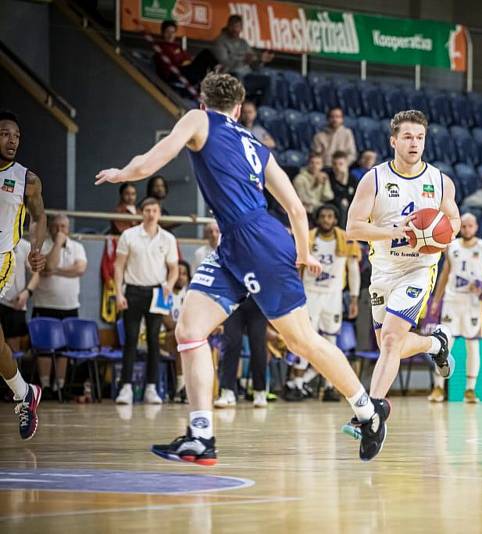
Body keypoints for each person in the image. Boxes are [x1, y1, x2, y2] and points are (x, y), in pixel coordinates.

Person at [95, 73, 389, 464]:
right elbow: (297, 209)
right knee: (189, 328)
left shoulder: (198, 120)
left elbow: (152, 160)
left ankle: (368, 413)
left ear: (204, 102)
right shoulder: (257, 144)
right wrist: (302, 251)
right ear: (238, 107)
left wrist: (122, 174)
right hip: (240, 241)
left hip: (255, 241)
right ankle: (201, 436)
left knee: (301, 340)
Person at [344, 109, 460, 437]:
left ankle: (372, 412)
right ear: (393, 140)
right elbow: (352, 228)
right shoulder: (375, 178)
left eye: (420, 137)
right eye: (407, 137)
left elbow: (453, 224)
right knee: (389, 346)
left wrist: (435, 235)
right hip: (383, 270)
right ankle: (435, 344)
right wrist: (395, 231)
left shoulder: (439, 182)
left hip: (418, 269)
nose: (414, 143)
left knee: (393, 339)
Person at [0, 110, 47, 440]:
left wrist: (36, 247)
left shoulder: (26, 179)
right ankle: (24, 393)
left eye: (16, 135)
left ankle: (23, 393)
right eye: (5, 133)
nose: (12, 140)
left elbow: (39, 216)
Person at [287, 204, 361, 402]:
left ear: (336, 220)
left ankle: (330, 386)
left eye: (331, 216)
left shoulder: (346, 239)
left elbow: (353, 271)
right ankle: (297, 383)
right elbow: (295, 268)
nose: (327, 220)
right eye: (323, 216)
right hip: (309, 293)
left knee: (331, 340)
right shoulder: (307, 237)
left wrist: (354, 298)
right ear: (317, 219)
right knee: (305, 338)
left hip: (333, 295)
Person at [428, 213, 482, 403]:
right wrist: (436, 300)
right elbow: (444, 274)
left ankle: (470, 390)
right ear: (460, 227)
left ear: (476, 227)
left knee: (472, 345)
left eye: (470, 225)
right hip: (452, 301)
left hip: (473, 303)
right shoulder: (451, 247)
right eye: (464, 226)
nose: (467, 229)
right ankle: (438, 388)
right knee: (443, 344)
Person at [114, 198, 179, 406]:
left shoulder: (168, 239)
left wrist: (170, 284)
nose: (151, 214)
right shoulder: (129, 235)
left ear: (159, 213)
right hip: (132, 291)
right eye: (148, 210)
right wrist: (118, 293)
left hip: (157, 292)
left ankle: (152, 388)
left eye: (155, 210)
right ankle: (126, 387)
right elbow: (118, 266)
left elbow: (174, 268)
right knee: (131, 339)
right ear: (142, 213)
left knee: (153, 340)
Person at [32, 215, 87, 397]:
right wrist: (57, 245)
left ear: (69, 229)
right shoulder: (44, 246)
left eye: (63, 226)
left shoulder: (77, 247)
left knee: (64, 350)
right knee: (44, 349)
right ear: (50, 228)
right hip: (44, 305)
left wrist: (54, 271)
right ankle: (46, 386)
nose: (59, 230)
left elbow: (79, 269)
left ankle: (61, 386)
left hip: (69, 306)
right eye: (55, 226)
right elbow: (48, 266)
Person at [214, 297, 269, 408]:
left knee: (258, 346)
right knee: (231, 343)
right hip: (234, 299)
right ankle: (227, 391)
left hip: (258, 301)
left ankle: (259, 391)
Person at [153, 20, 218, 88]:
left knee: (207, 54)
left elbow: (187, 58)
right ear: (162, 33)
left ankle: (215, 75)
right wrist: (185, 62)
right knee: (206, 54)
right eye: (167, 32)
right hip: (176, 74)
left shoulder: (177, 46)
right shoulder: (160, 47)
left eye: (173, 32)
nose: (170, 35)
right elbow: (172, 63)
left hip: (187, 70)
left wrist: (189, 61)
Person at [0, 238, 39, 352]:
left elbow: (36, 274)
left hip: (14, 303)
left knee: (13, 350)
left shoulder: (24, 246)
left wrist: (27, 293)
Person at [163, 259, 191, 401]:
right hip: (160, 338)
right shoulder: (163, 292)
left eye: (184, 274)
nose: (181, 277)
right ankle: (181, 386)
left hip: (182, 337)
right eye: (178, 273)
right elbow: (167, 322)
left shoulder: (191, 295)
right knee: (180, 338)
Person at [329, 150, 358, 226]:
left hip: (350, 204)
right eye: (334, 164)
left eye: (340, 164)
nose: (337, 167)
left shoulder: (352, 179)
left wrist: (344, 180)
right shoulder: (328, 175)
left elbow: (356, 196)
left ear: (346, 164)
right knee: (343, 206)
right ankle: (343, 233)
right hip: (332, 203)